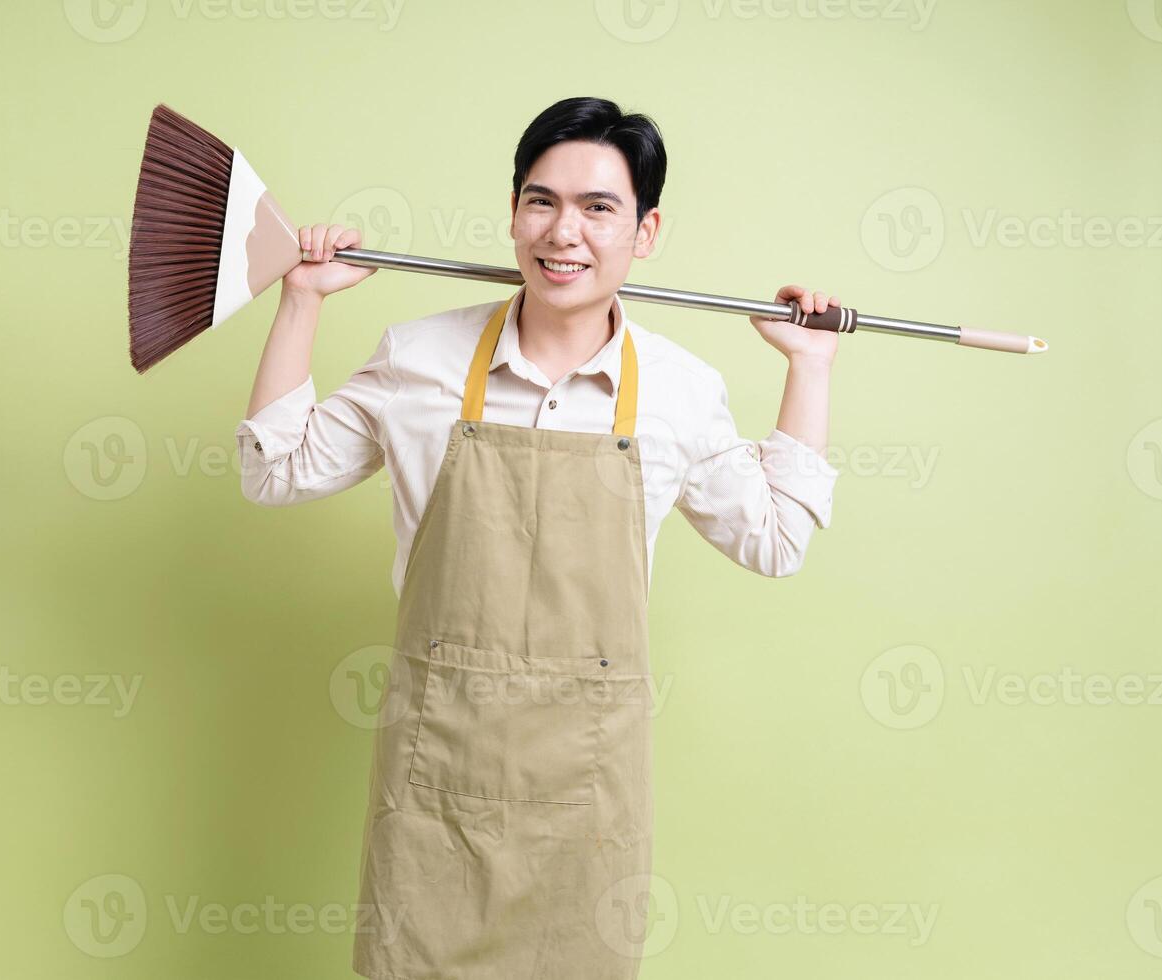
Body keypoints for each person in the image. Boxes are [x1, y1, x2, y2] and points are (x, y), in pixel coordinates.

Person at [234, 96, 841, 980]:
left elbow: (777, 540)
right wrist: (300, 303)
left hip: (586, 808)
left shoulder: (680, 390)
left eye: (600, 208)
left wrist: (810, 370)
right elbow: (273, 470)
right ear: (514, 212)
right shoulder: (421, 359)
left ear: (647, 231)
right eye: (541, 200)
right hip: (436, 789)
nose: (564, 232)